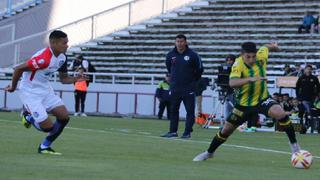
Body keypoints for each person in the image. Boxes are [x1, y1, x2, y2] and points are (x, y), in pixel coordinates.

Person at [193, 42, 302, 161]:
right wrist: (250, 79)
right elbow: (232, 83)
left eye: (253, 56)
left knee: (280, 113)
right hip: (243, 105)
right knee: (226, 130)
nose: (251, 59)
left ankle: (295, 147)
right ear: (242, 55)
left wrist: (274, 47)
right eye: (248, 57)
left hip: (262, 99)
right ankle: (209, 152)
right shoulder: (238, 64)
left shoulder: (261, 57)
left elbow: (265, 47)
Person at [5, 30, 87, 155]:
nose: (67, 45)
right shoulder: (43, 58)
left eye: (67, 43)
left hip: (45, 89)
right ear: (53, 43)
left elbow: (63, 79)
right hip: (30, 91)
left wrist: (75, 79)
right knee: (48, 127)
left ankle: (44, 146)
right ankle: (27, 116)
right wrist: (13, 87)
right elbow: (18, 69)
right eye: (64, 43)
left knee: (64, 117)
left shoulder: (62, 58)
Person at [161, 34, 203, 139]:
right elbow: (169, 68)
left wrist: (192, 81)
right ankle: (172, 131)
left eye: (181, 41)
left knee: (190, 111)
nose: (179, 44)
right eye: (177, 41)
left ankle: (187, 132)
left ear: (185, 42)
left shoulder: (193, 55)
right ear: (175, 42)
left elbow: (200, 69)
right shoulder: (170, 55)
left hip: (188, 88)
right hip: (175, 87)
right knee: (173, 110)